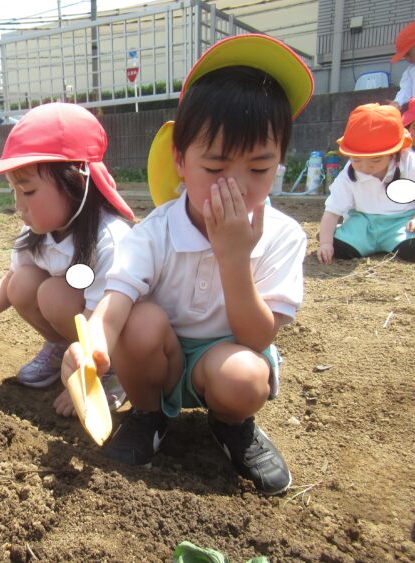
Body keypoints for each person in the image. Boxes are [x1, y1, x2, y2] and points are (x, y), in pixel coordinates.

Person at [61, 34, 314, 496]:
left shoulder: (284, 236)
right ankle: (148, 414)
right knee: (139, 322)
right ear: (180, 159)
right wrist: (90, 348)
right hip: (162, 360)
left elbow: (257, 338)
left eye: (259, 168)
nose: (236, 186)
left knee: (245, 377)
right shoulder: (154, 232)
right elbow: (115, 303)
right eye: (215, 168)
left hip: (227, 358)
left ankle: (231, 425)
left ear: (280, 160)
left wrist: (234, 258)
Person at [0, 102, 134, 416]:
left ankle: (109, 372)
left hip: (115, 335)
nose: (19, 206)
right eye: (14, 191)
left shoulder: (109, 238)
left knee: (52, 294)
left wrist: (85, 372)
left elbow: (104, 318)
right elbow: (10, 281)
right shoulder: (38, 231)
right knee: (21, 282)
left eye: (29, 191)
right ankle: (62, 348)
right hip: (79, 316)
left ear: (77, 181)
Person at [317, 103, 415, 264]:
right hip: (363, 223)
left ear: (394, 153)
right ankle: (339, 234)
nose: (365, 167)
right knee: (340, 249)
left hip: (401, 222)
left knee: (411, 249)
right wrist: (325, 243)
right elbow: (332, 211)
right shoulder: (348, 173)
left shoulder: (408, 161)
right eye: (357, 160)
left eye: (376, 160)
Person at [390, 21, 415, 111]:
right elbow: (405, 90)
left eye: (407, 53)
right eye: (404, 56)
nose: (406, 58)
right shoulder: (410, 71)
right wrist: (397, 102)